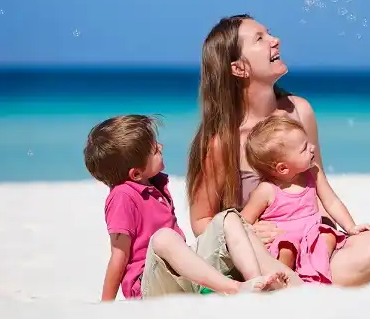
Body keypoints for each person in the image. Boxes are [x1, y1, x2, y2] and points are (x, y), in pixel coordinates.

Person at [186, 14, 370, 287]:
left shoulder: (299, 111)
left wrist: (331, 233)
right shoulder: (222, 141)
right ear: (239, 69)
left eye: (269, 33)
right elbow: (201, 221)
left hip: (311, 245)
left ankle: (302, 281)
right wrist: (244, 231)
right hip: (261, 254)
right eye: (260, 39)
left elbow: (318, 189)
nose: (276, 41)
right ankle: (298, 283)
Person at [84, 114, 291, 301]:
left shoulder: (157, 185)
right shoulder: (122, 196)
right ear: (136, 174)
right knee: (164, 237)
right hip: (149, 284)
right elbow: (118, 255)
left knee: (229, 217)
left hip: (182, 275)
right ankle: (234, 288)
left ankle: (256, 281)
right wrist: (106, 305)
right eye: (155, 150)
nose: (161, 147)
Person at [240, 115, 370, 284]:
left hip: (311, 236)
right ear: (283, 168)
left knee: (328, 237)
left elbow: (331, 201)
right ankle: (282, 279)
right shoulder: (266, 190)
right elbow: (243, 221)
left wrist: (350, 226)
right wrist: (255, 229)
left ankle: (315, 274)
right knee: (286, 249)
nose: (312, 148)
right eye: (304, 148)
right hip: (283, 238)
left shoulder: (313, 173)